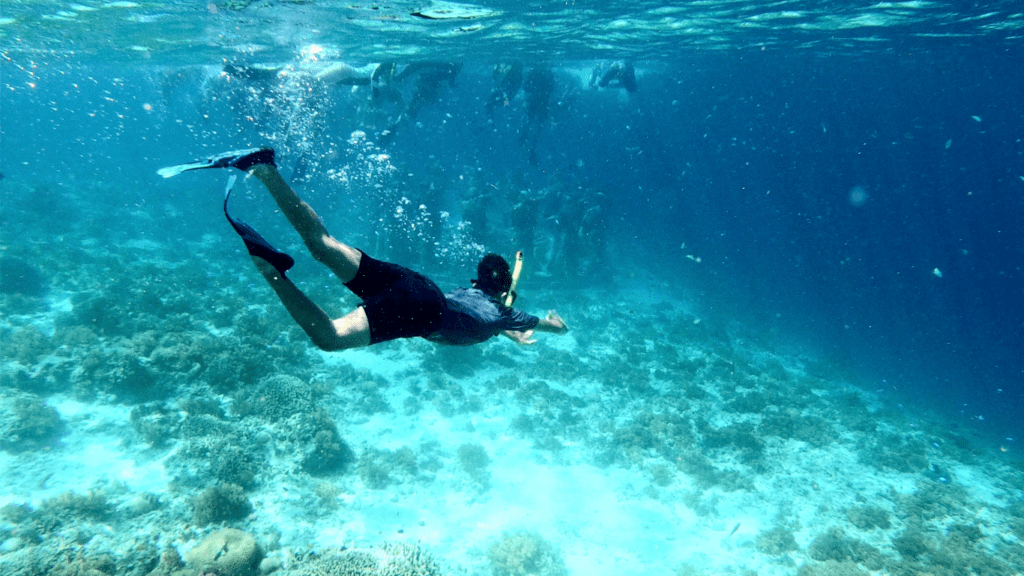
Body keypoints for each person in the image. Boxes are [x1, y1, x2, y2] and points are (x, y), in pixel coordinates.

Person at [158, 147, 569, 350]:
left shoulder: (480, 297)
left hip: (418, 284)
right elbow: (528, 316)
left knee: (323, 244)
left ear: (478, 280)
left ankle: (263, 168)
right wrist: (555, 325)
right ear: (502, 294)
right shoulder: (505, 312)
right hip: (423, 312)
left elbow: (507, 292)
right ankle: (272, 271)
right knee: (330, 337)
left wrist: (513, 326)